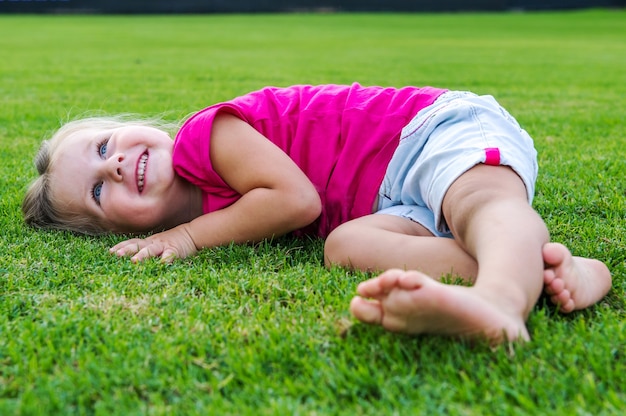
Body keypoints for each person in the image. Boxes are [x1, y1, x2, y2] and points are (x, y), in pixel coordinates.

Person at [22, 83, 612, 344]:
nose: (117, 166)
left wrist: (188, 240)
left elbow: (295, 201)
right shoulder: (215, 200)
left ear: (132, 127)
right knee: (344, 248)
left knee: (482, 203)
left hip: (424, 135)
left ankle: (501, 303)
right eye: (100, 190)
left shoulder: (207, 136)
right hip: (390, 203)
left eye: (105, 147)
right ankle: (556, 270)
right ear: (120, 231)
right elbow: (305, 218)